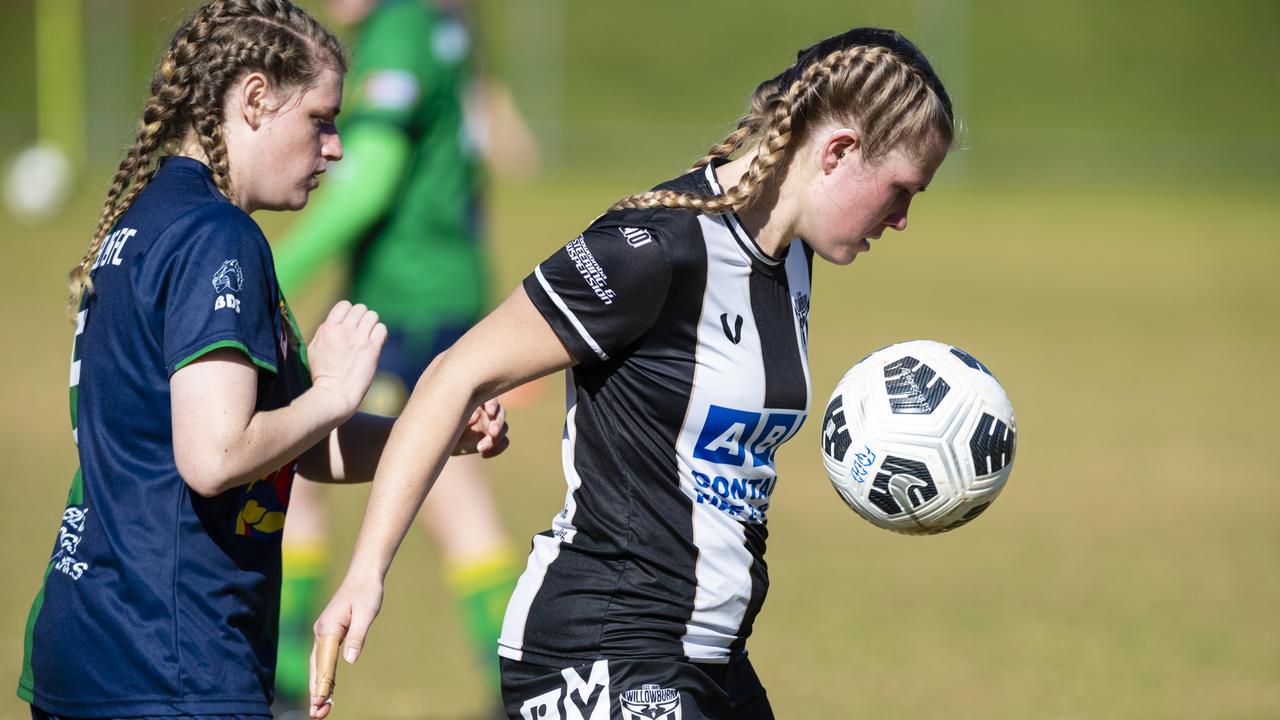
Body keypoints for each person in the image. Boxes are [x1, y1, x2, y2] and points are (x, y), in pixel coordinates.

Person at [310, 27, 955, 720]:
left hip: (709, 657)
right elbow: (453, 375)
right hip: (599, 645)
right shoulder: (649, 251)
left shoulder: (791, 258)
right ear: (837, 152)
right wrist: (365, 574)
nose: (903, 219)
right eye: (899, 191)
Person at [14, 1, 506, 717]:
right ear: (253, 100)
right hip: (170, 664)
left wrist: (439, 430)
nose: (335, 147)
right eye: (321, 120)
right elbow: (215, 456)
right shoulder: (219, 239)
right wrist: (336, 391)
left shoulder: (146, 221)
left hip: (89, 644)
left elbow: (289, 441)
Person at [267, 0, 529, 711]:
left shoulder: (399, 30)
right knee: (446, 485)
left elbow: (372, 180)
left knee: (310, 455)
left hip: (402, 303)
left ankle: (285, 676)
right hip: (441, 290)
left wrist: (268, 274)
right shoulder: (439, 23)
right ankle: (524, 682)